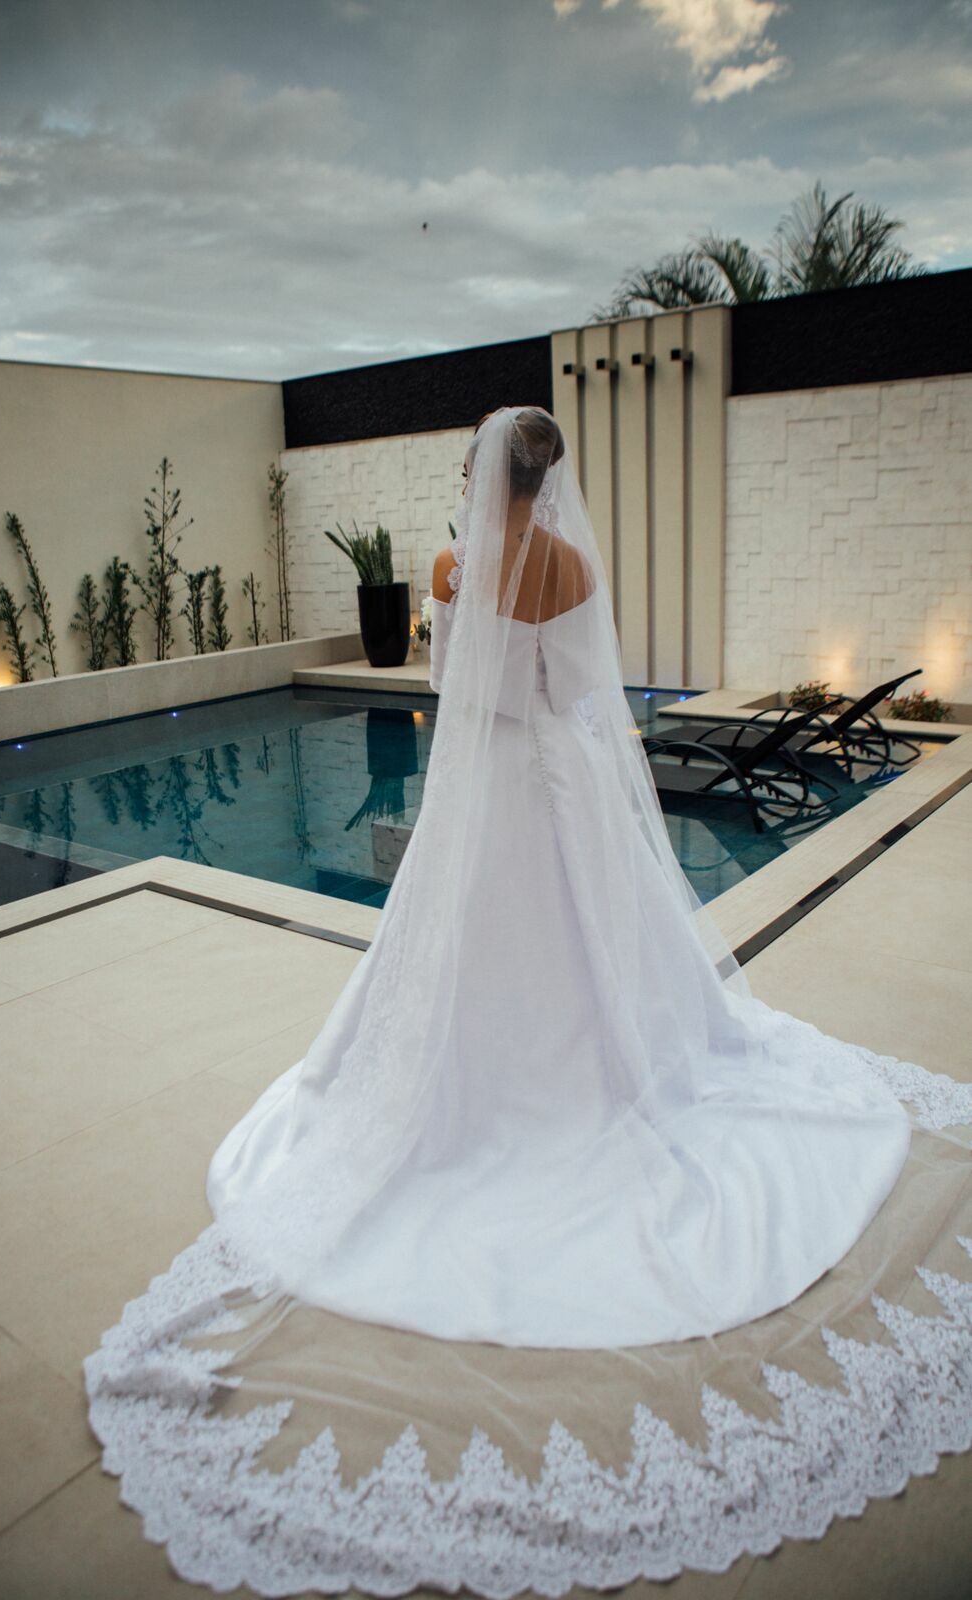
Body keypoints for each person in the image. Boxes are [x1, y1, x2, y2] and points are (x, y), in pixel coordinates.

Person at [85, 405, 971, 1593]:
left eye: (467, 464)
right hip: (566, 778)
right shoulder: (570, 561)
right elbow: (580, 691)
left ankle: (482, 1106)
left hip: (487, 788)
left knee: (462, 959)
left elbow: (453, 683)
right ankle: (608, 1076)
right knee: (599, 954)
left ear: (488, 471)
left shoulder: (458, 561)